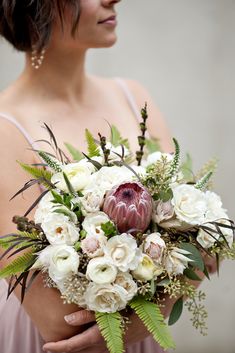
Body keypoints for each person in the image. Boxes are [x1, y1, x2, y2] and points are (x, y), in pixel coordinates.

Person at [0, 1, 216, 352]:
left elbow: (207, 245)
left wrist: (145, 320)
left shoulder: (133, 97)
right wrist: (156, 306)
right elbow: (55, 319)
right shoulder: (5, 129)